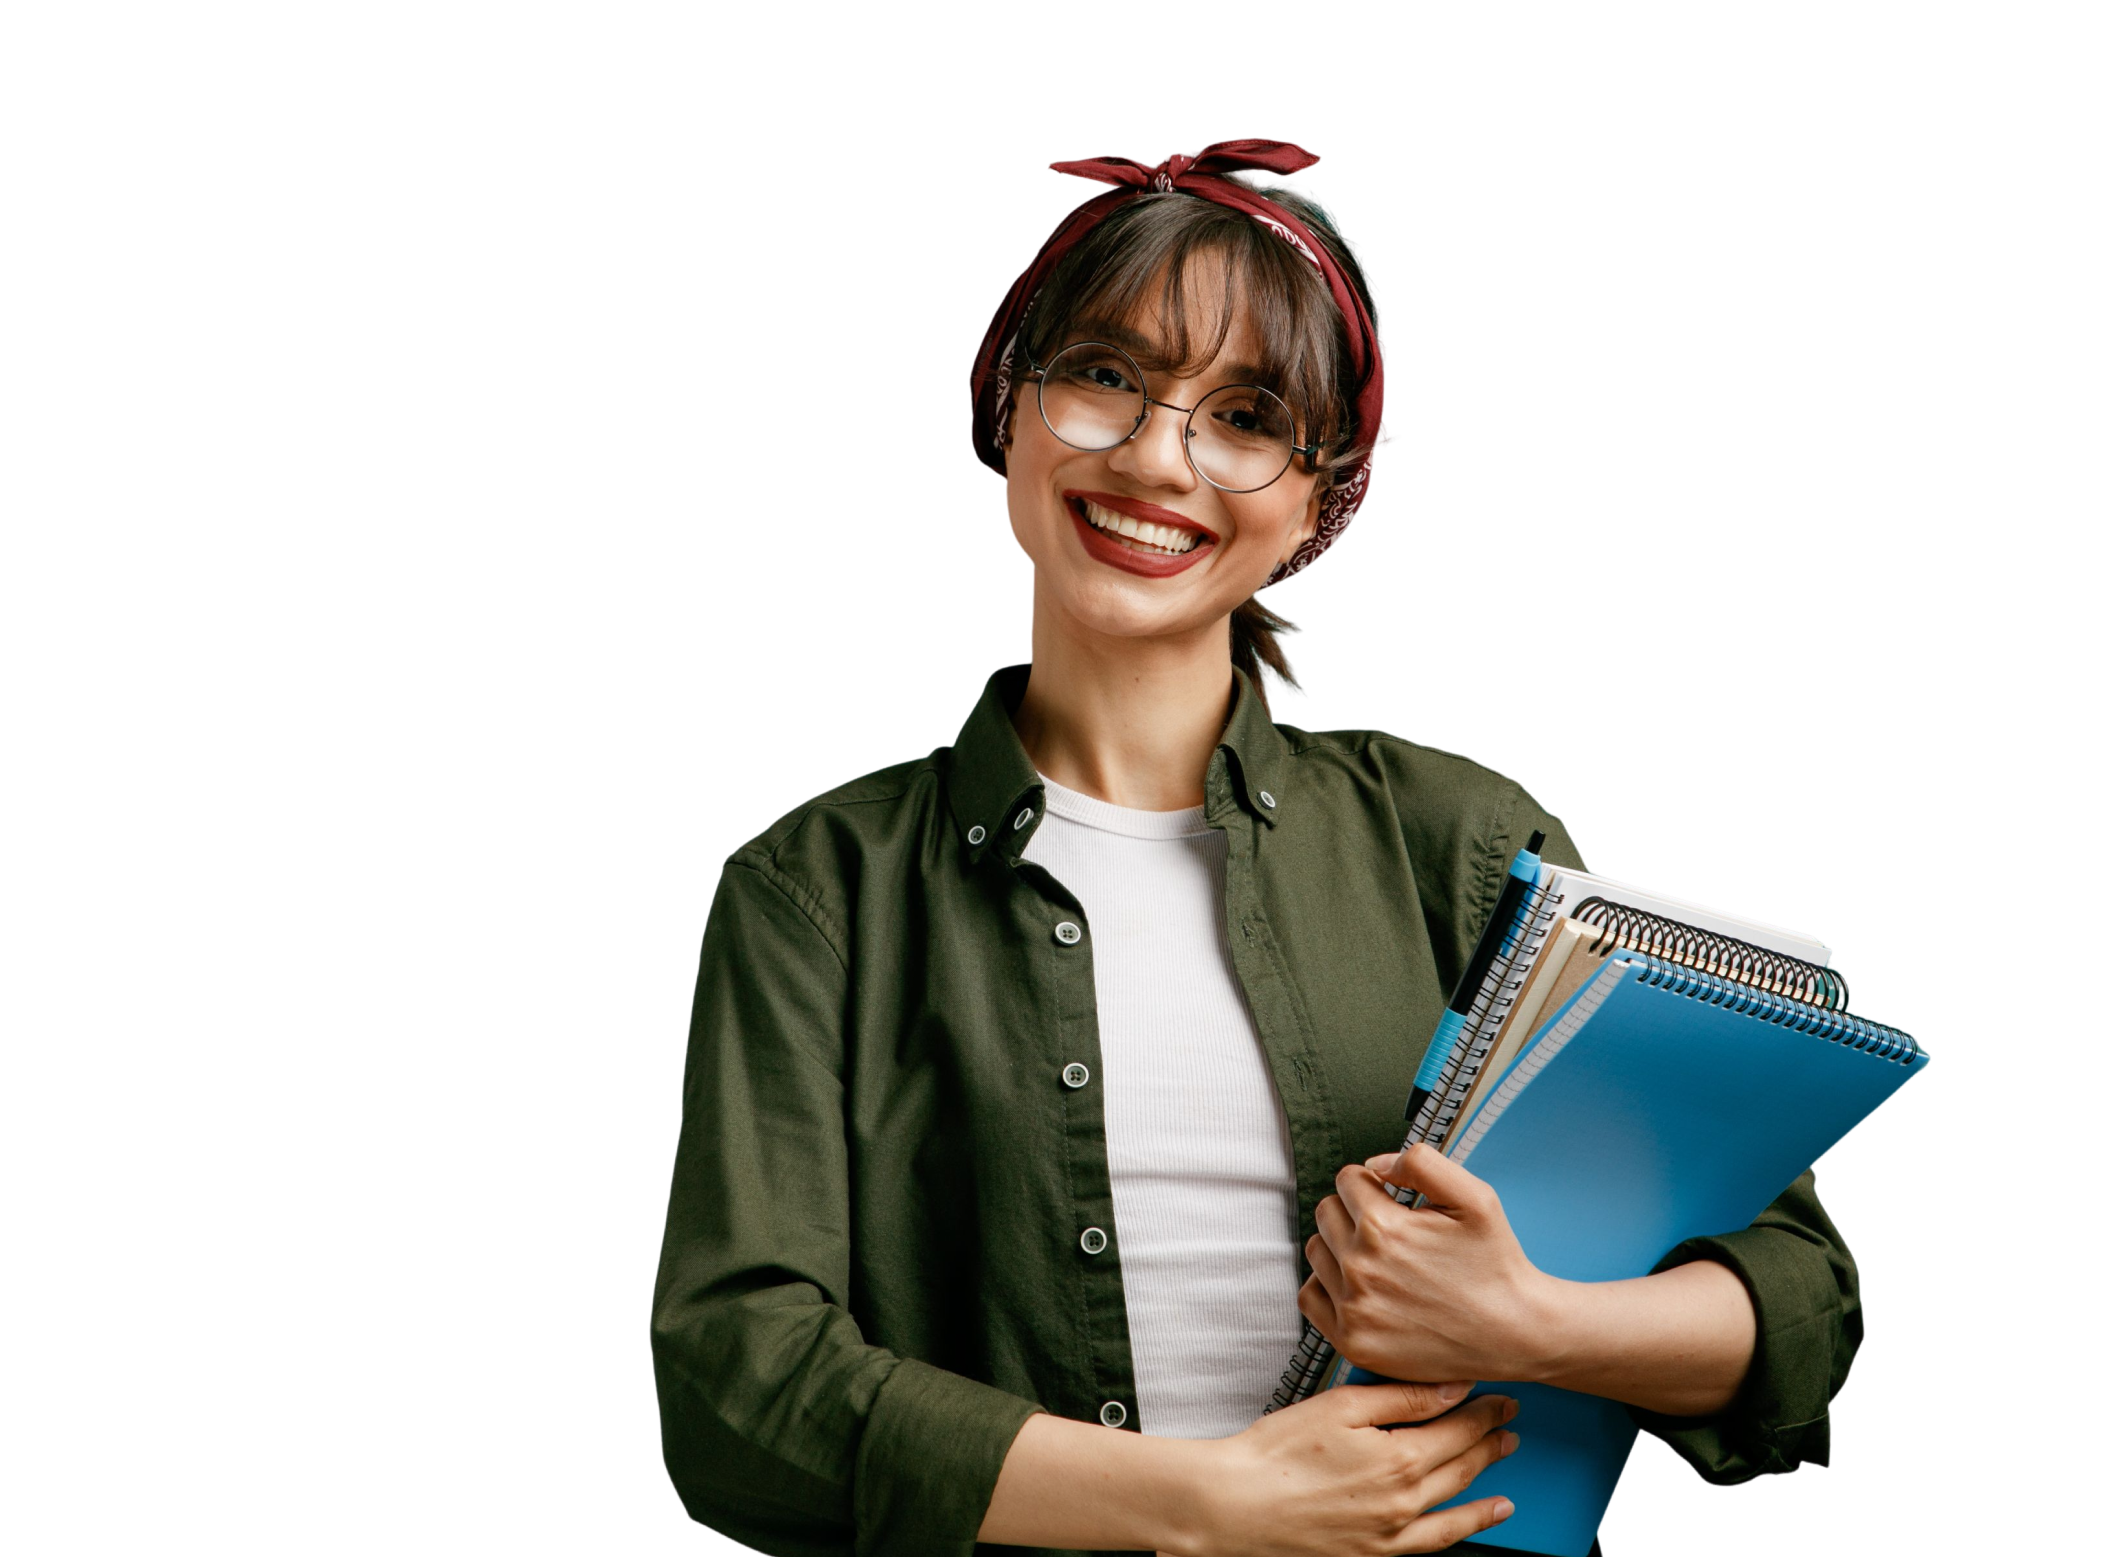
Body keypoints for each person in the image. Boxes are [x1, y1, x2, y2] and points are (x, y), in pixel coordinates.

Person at [652, 140, 1861, 1557]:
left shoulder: (1465, 843)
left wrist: (1527, 1322)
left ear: (1316, 500)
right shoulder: (816, 890)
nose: (1158, 458)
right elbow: (737, 1387)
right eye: (1105, 374)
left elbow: (1798, 1303)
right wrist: (1210, 1503)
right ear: (1012, 407)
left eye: (1245, 415)